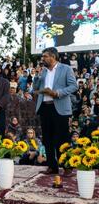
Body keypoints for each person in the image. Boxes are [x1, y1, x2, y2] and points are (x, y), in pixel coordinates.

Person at [33, 47, 78, 175]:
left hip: (59, 108)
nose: (43, 59)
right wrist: (36, 76)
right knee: (47, 139)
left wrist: (57, 93)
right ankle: (52, 166)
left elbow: (74, 86)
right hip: (45, 108)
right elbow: (36, 87)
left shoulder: (66, 69)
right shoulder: (43, 71)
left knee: (62, 139)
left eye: (45, 56)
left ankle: (67, 166)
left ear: (53, 56)